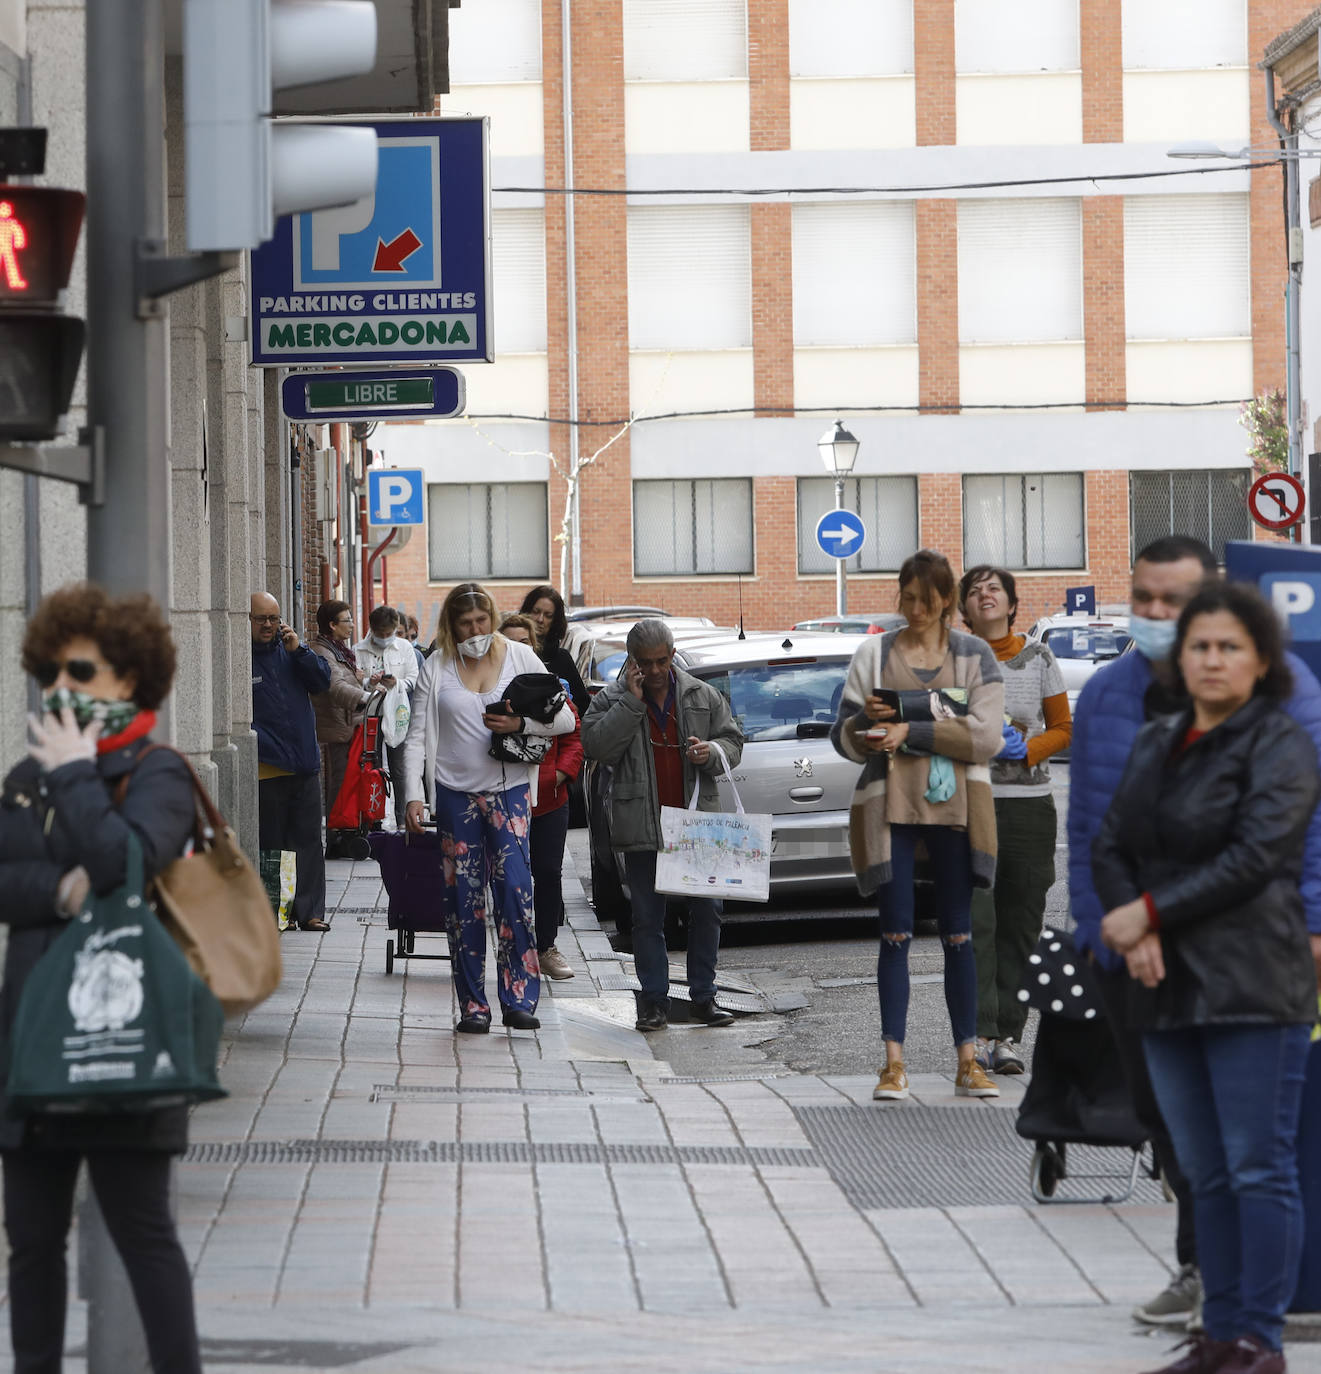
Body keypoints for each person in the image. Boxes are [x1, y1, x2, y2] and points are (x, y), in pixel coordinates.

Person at [1069, 536, 1321, 1333]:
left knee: (1255, 1161)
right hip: (1144, 966)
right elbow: (1095, 835)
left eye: (1175, 605)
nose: (1158, 619)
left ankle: (1256, 1329)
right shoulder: (1126, 710)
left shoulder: (1283, 723)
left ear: (1255, 653)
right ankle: (1214, 1313)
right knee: (1194, 1159)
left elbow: (1271, 849)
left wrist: (1147, 912)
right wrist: (1110, 930)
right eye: (1144, 600)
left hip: (1249, 965)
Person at [0, 583, 203, 1373]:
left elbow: (124, 864)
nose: (60, 690)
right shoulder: (25, 775)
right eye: (49, 673)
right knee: (31, 1247)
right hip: (31, 1040)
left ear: (127, 678)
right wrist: (56, 888)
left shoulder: (158, 772)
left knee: (144, 1237)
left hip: (126, 1038)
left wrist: (80, 777)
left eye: (78, 672)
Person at [830, 549, 1005, 1103]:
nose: (914, 610)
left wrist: (912, 731)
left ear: (947, 601)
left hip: (959, 814)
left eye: (925, 602)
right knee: (895, 933)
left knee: (959, 934)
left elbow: (989, 736)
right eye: (906, 599)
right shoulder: (874, 652)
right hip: (891, 811)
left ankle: (968, 1061)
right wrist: (867, 725)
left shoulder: (974, 654)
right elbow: (844, 738)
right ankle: (893, 1065)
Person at [402, 583, 575, 1033]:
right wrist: (412, 796)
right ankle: (473, 1006)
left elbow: (567, 717)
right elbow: (416, 735)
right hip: (455, 795)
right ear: (451, 626)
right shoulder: (436, 665)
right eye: (465, 624)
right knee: (463, 903)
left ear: (492, 618)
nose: (476, 631)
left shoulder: (520, 657)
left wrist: (521, 722)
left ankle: (519, 998)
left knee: (516, 892)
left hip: (510, 791)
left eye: (482, 621)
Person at [581, 618, 743, 1032]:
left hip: (696, 824)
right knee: (647, 919)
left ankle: (703, 999)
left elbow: (733, 742)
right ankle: (653, 1003)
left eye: (661, 661)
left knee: (707, 912)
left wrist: (711, 752)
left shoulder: (701, 695)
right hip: (642, 823)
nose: (654, 671)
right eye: (644, 663)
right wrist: (632, 703)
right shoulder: (615, 698)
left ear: (672, 655)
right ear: (631, 661)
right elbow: (596, 746)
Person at [959, 564, 1072, 1075]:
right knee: (977, 921)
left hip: (1030, 807)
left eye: (994, 590)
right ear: (964, 610)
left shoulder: (1040, 657)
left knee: (1022, 921)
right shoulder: (953, 660)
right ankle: (979, 1032)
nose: (985, 597)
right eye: (975, 592)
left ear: (1010, 603)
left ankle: (1007, 1036)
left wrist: (1028, 749)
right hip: (970, 804)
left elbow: (1064, 727)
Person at [500, 613, 582, 980]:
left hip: (550, 799)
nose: (518, 648)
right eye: (510, 641)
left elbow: (573, 736)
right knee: (510, 877)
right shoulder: (489, 687)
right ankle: (516, 948)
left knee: (548, 871)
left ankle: (546, 946)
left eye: (524, 642)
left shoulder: (553, 687)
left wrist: (560, 773)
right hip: (504, 797)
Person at [250, 590, 332, 931]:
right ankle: (278, 913)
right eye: (261, 619)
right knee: (275, 843)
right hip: (268, 766)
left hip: (304, 762)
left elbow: (322, 682)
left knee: (309, 840)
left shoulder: (292, 652)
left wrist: (300, 651)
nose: (269, 625)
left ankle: (310, 911)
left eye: (274, 618)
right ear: (248, 621)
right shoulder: (241, 659)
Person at [309, 600, 371, 859]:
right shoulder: (323, 652)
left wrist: (362, 681)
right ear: (332, 625)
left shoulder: (338, 650)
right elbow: (334, 687)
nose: (352, 625)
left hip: (349, 725)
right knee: (339, 782)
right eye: (347, 620)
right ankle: (336, 837)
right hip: (338, 728)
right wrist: (365, 696)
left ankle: (346, 830)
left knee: (349, 781)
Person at [354, 604, 418, 830]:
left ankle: (401, 819)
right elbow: (355, 683)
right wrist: (369, 683)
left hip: (397, 714)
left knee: (399, 768)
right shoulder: (358, 649)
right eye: (380, 634)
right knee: (373, 768)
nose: (384, 638)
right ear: (371, 629)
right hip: (371, 714)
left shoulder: (404, 647)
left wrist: (397, 683)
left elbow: (413, 679)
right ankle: (375, 819)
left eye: (389, 634)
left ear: (395, 629)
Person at [520, 584, 590, 716]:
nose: (540, 619)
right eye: (536, 612)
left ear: (555, 621)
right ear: (526, 612)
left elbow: (583, 706)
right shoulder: (511, 653)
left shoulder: (562, 659)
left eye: (548, 615)